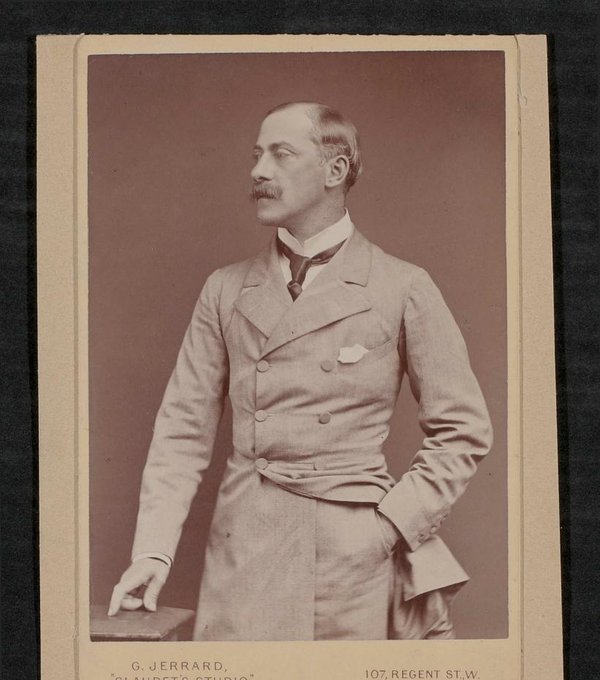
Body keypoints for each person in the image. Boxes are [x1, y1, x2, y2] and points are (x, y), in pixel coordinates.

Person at [108, 101, 493, 641]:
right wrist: (153, 551)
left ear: (335, 170)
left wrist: (389, 526)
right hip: (243, 550)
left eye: (281, 154)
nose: (258, 170)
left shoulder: (402, 287)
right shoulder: (225, 290)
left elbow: (463, 429)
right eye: (256, 155)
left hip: (350, 560)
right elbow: (182, 429)